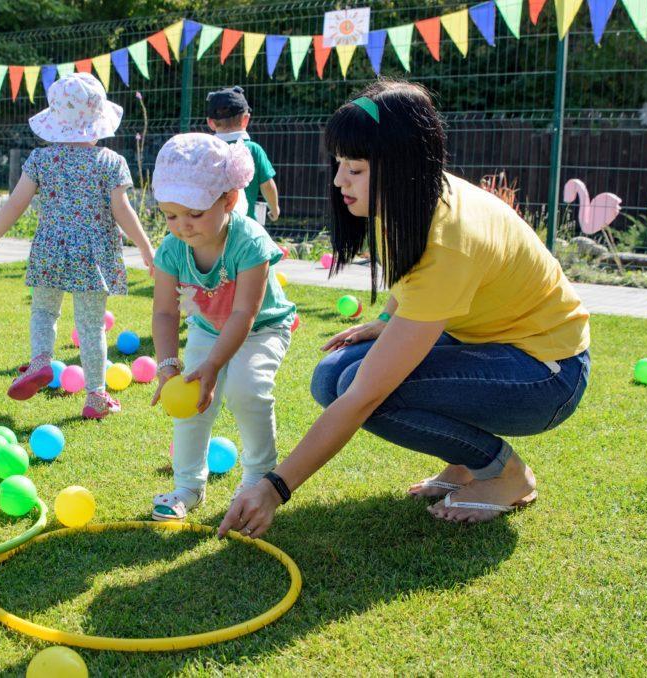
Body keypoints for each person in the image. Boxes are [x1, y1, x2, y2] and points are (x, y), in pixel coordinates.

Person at [221, 81, 591, 538]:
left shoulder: (447, 236)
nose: (339, 182)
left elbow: (365, 398)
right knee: (330, 377)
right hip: (492, 346)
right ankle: (466, 464)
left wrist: (274, 488)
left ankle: (506, 474)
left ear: (401, 167)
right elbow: (411, 277)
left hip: (546, 375)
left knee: (358, 389)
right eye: (340, 165)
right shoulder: (410, 201)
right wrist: (384, 321)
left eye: (354, 169)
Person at [0, 73, 154, 419]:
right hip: (94, 255)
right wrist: (146, 248)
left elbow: (16, 202)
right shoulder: (110, 162)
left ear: (55, 121)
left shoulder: (42, 160)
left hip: (50, 250)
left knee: (44, 311)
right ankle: (96, 397)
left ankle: (40, 361)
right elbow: (123, 212)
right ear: (98, 119)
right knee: (91, 326)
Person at [148, 133, 295, 521]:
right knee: (190, 403)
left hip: (262, 327)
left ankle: (257, 480)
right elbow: (164, 313)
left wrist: (214, 366)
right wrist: (167, 366)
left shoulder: (249, 242)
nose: (182, 226)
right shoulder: (171, 249)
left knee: (248, 390)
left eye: (194, 214)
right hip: (207, 328)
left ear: (228, 200)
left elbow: (244, 313)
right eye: (171, 214)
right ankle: (187, 488)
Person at [206, 86, 279, 224]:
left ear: (210, 123)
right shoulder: (253, 150)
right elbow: (267, 185)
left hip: (212, 225)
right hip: (245, 226)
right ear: (246, 119)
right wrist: (274, 209)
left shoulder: (207, 150)